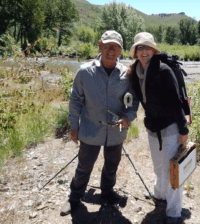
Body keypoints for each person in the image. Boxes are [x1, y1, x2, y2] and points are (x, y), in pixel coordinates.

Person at [60, 30, 138, 216]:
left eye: (115, 46)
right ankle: (74, 198)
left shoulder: (127, 74)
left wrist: (128, 117)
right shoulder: (85, 71)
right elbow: (76, 100)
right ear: (99, 45)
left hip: (116, 131)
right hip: (90, 129)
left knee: (112, 164)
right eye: (107, 45)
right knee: (84, 166)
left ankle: (108, 192)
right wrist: (74, 126)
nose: (111, 50)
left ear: (121, 50)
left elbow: (134, 101)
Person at [128, 32, 188, 224]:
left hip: (170, 127)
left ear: (154, 50)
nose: (144, 51)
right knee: (158, 166)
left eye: (147, 47)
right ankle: (159, 195)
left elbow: (176, 103)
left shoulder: (164, 70)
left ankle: (174, 211)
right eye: (140, 47)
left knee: (172, 170)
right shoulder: (135, 72)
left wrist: (183, 130)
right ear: (135, 52)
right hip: (152, 127)